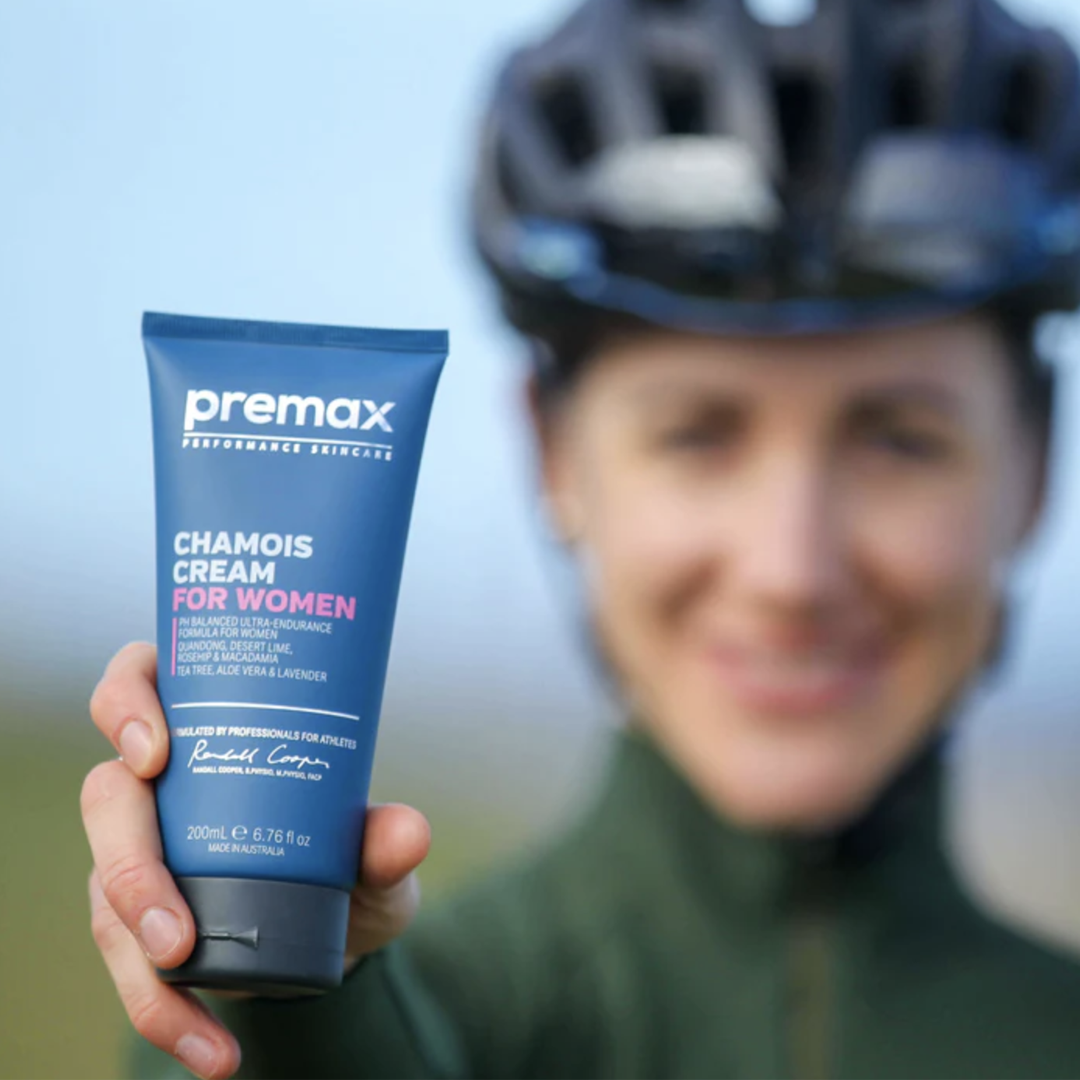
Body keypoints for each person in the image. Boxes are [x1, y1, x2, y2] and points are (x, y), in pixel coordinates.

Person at [81, 0, 1080, 1076]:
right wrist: (264, 994)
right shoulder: (398, 1030)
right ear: (554, 457)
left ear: (1036, 466)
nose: (792, 569)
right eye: (698, 436)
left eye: (900, 441)